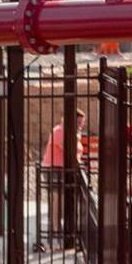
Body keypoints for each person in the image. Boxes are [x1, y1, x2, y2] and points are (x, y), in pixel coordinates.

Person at [40, 107, 87, 249]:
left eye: (82, 123)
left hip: (65, 169)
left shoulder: (73, 134)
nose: (81, 125)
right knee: (57, 197)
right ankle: (55, 229)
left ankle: (62, 228)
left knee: (64, 197)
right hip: (55, 168)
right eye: (78, 122)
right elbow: (68, 150)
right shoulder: (60, 131)